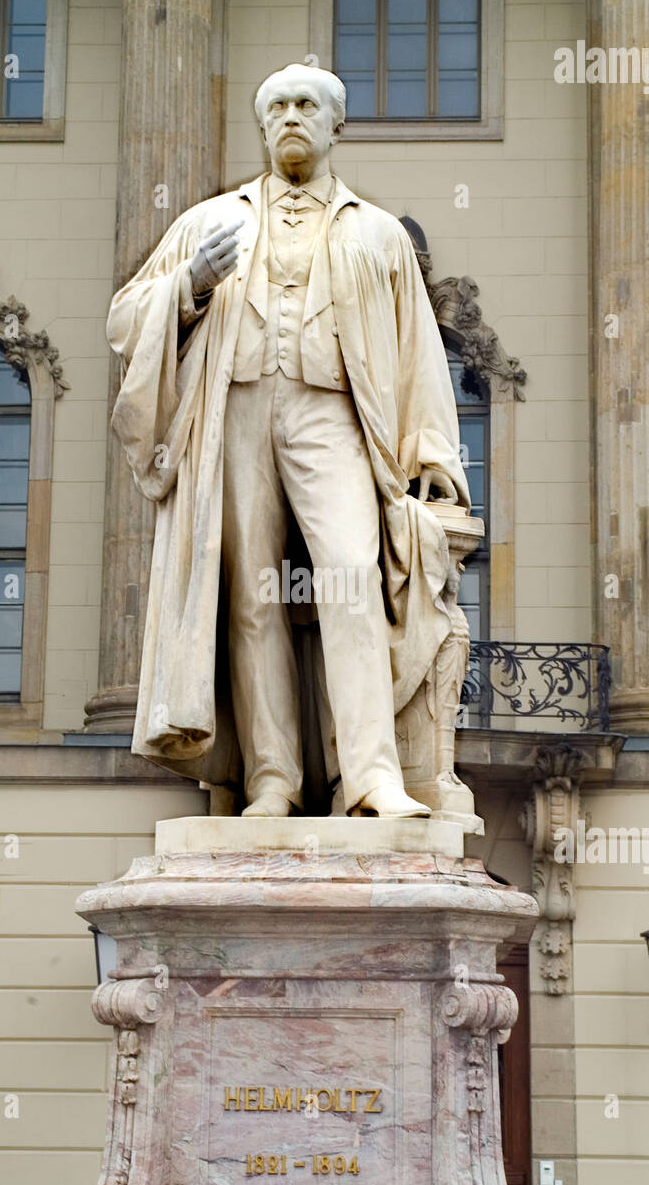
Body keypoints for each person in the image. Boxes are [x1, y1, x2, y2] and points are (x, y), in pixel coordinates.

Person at [107, 63, 470, 817]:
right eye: (277, 106)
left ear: (336, 124)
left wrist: (432, 453)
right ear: (262, 125)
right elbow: (122, 319)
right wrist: (189, 286)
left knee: (350, 576)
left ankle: (371, 778)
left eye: (308, 105)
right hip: (235, 409)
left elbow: (417, 352)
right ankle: (273, 778)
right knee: (251, 600)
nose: (292, 117)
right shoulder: (211, 222)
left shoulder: (376, 231)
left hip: (332, 414)